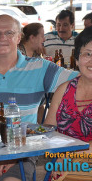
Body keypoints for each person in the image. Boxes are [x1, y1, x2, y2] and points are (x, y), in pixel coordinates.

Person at [0, 14, 79, 181]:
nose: (2, 38)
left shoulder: (39, 68)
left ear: (19, 37)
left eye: (9, 33)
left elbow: (81, 78)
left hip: (21, 151)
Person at [44, 26, 92, 180]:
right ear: (77, 59)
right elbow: (48, 130)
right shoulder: (64, 90)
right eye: (88, 54)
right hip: (65, 166)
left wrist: (70, 155)